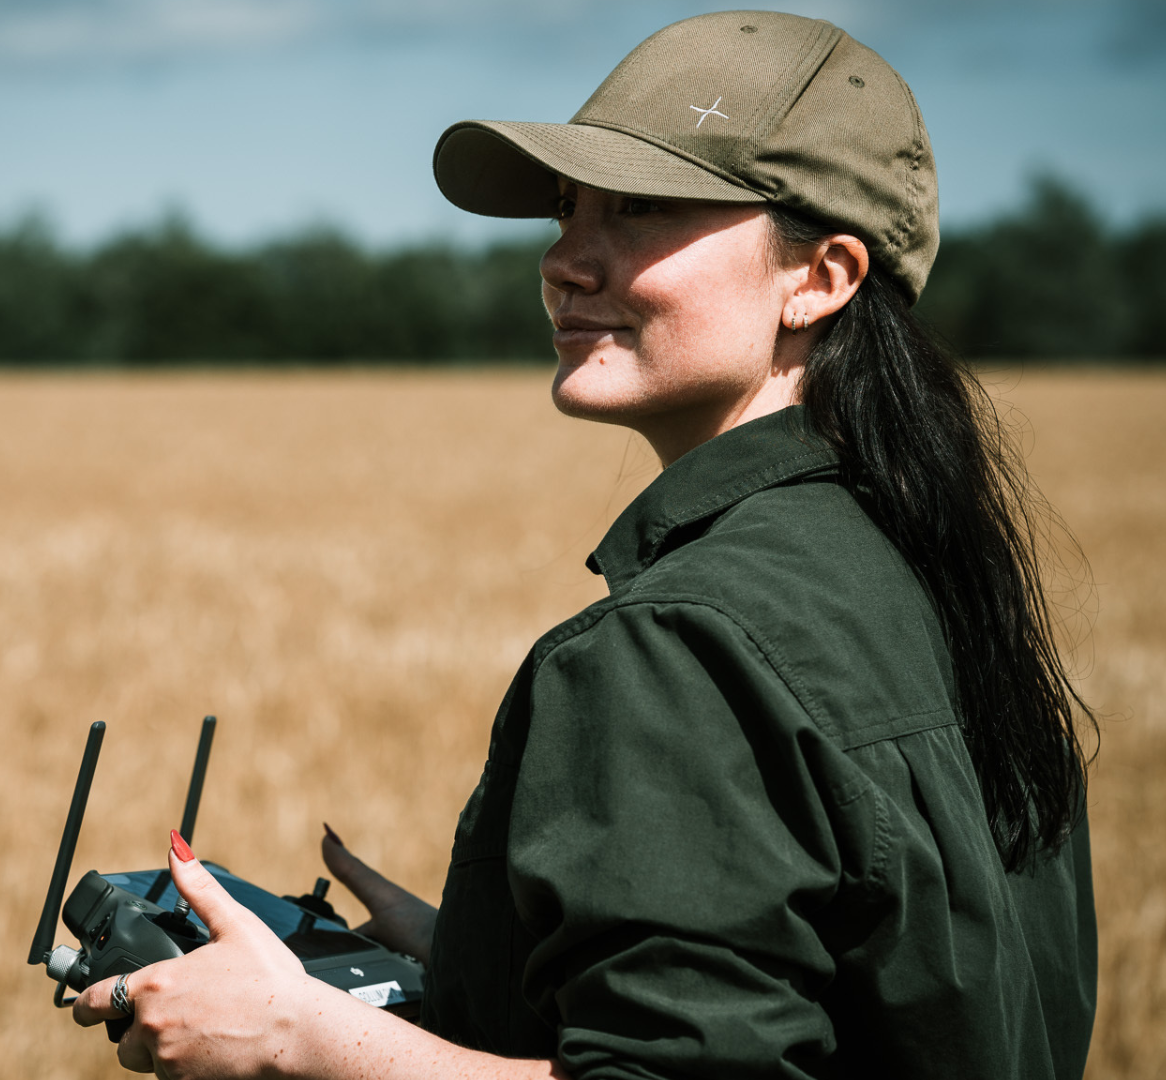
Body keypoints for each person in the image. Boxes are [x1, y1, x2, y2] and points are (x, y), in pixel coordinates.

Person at [70, 10, 1098, 1078]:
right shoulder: (936, 582)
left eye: (640, 209)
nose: (564, 260)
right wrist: (486, 957)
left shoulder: (675, 649)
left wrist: (298, 1035)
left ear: (822, 276)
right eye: (567, 212)